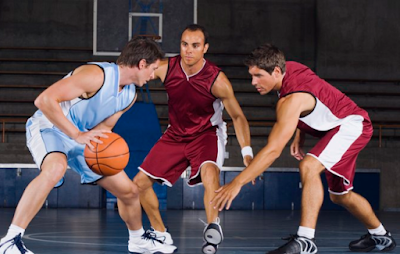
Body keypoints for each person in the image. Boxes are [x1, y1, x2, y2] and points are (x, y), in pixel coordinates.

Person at [211, 44, 397, 254]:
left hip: (352, 124)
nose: (253, 82)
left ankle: (306, 240)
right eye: (251, 75)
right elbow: (314, 93)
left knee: (308, 166)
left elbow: (273, 150)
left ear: (277, 71)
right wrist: (301, 133)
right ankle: (381, 236)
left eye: (259, 76)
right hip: (336, 129)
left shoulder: (289, 101)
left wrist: (237, 183)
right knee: (340, 195)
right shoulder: (291, 67)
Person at [0, 37, 177, 254]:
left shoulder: (129, 96)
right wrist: (76, 133)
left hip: (82, 137)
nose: (153, 76)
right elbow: (44, 100)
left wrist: (110, 151)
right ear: (141, 64)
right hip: (51, 125)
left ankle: (138, 240)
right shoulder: (96, 75)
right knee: (55, 168)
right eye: (152, 69)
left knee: (129, 191)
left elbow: (104, 130)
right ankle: (10, 240)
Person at [132, 24, 253, 254]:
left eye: (195, 45)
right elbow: (137, 73)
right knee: (138, 184)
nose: (188, 50)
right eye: (184, 44)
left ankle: (212, 228)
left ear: (205, 48)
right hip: (175, 135)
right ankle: (160, 234)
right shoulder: (167, 68)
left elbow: (237, 116)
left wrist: (246, 151)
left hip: (206, 134)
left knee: (209, 173)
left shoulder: (217, 79)